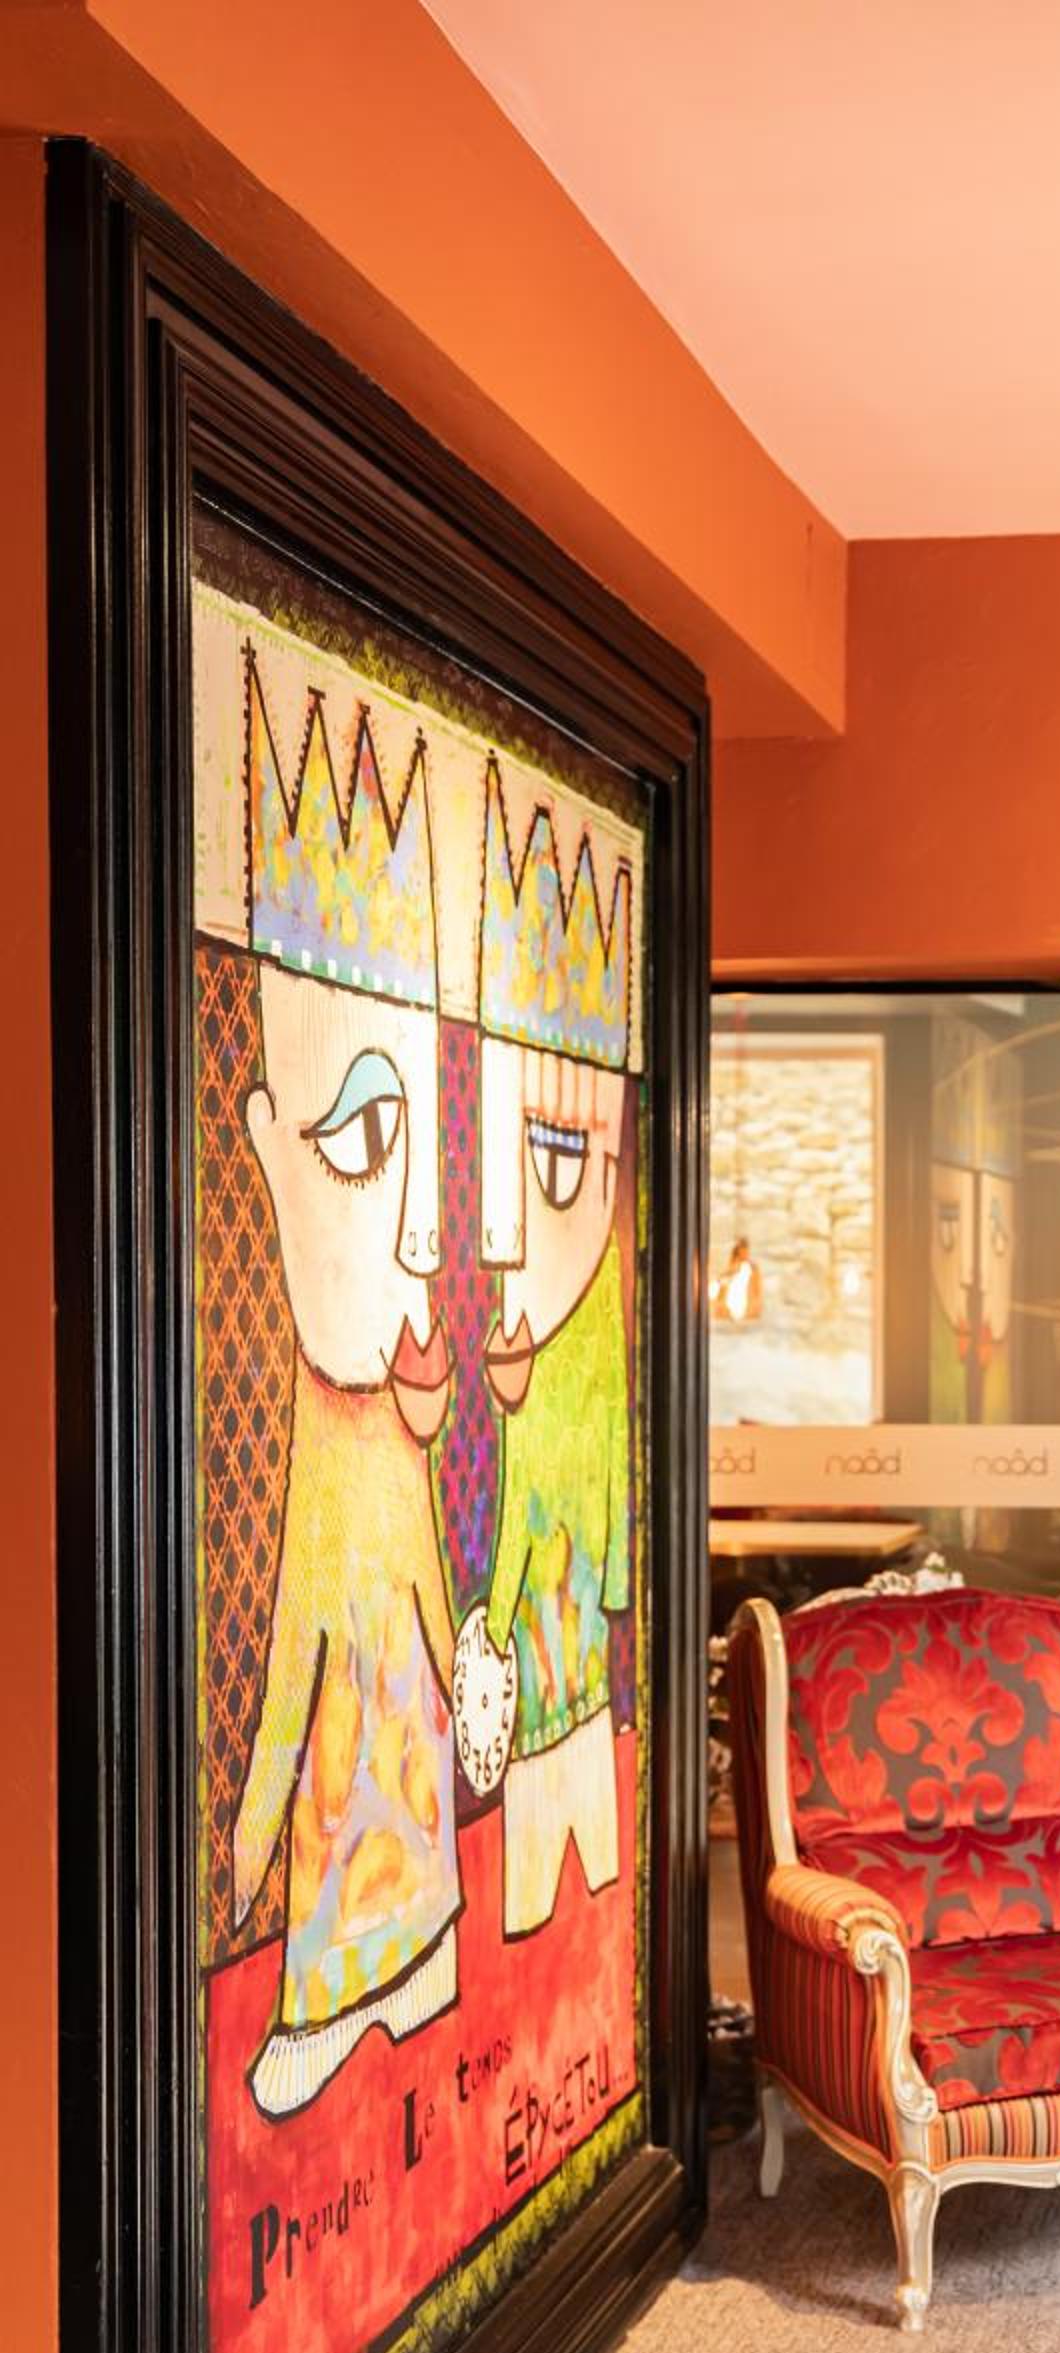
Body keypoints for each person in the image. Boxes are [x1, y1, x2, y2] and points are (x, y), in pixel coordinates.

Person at [230, 657, 462, 2116]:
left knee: (392, 1800)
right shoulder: (321, 1457)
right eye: (370, 1142)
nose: (430, 1240)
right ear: (267, 1145)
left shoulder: (387, 1447)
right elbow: (288, 1665)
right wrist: (257, 1830)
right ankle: (334, 1992)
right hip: (343, 1783)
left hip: (418, 1780)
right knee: (336, 1799)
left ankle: (415, 1957)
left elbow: (432, 1592)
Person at [470, 757, 634, 1938]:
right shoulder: (548, 1366)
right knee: (559, 1791)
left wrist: (506, 1610)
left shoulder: (588, 1362)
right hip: (561, 1633)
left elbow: (555, 1521)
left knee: (564, 1781)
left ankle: (538, 1900)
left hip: (560, 1626)